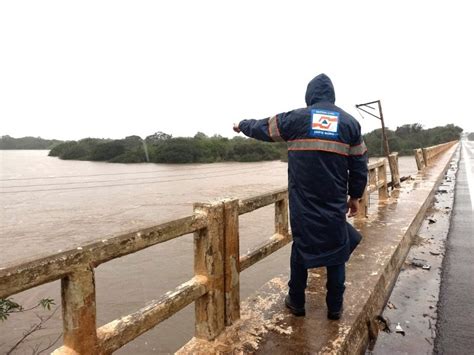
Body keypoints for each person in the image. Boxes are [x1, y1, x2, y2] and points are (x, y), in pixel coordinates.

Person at [233, 73, 368, 320]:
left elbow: (263, 127)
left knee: (301, 247)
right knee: (337, 250)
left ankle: (296, 301)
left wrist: (242, 124)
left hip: (303, 202)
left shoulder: (295, 119)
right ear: (332, 95)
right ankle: (335, 307)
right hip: (334, 201)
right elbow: (359, 164)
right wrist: (355, 196)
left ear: (309, 95)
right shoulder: (350, 124)